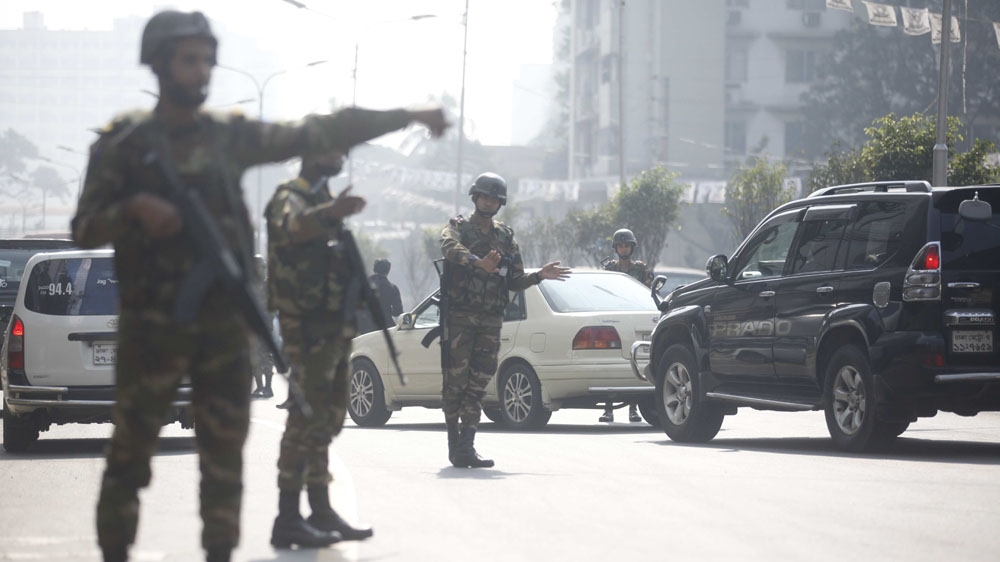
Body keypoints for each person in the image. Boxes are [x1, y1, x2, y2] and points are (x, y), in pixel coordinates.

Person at [71, 10, 448, 562]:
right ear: (158, 64)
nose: (201, 70)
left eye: (207, 59)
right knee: (130, 458)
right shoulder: (125, 143)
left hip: (223, 328)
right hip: (154, 330)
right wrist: (133, 209)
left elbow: (319, 130)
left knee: (224, 462)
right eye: (188, 59)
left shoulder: (227, 135)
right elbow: (83, 229)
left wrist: (408, 114)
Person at [267, 147, 446, 541]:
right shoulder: (291, 196)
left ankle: (320, 509)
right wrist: (329, 215)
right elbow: (289, 226)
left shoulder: (322, 198)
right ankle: (287, 517)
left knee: (327, 420)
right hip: (306, 328)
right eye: (331, 148)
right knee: (304, 419)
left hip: (331, 329)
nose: (339, 155)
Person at [439, 172, 571, 468]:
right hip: (460, 316)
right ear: (475, 198)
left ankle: (467, 446)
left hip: (491, 319)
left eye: (494, 198)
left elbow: (514, 280)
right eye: (484, 197)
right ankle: (452, 442)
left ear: (500, 203)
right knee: (455, 381)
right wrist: (477, 262)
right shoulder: (459, 227)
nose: (489, 202)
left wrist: (538, 276)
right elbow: (448, 247)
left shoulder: (505, 235)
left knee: (479, 381)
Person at [601, 228, 653, 423]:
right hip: (612, 320)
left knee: (634, 364)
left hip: (634, 319)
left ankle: (633, 409)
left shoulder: (641, 269)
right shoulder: (609, 270)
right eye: (620, 246)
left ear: (632, 247)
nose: (623, 249)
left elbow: (648, 293)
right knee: (609, 365)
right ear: (616, 248)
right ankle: (608, 409)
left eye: (626, 246)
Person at [252, 254, 275, 399]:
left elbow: (273, 307)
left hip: (265, 327)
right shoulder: (251, 284)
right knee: (254, 358)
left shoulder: (268, 286)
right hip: (253, 327)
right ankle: (259, 386)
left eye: (261, 267)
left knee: (266, 357)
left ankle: (268, 387)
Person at [369, 258, 403, 327]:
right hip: (385, 328)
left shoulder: (363, 285)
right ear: (388, 271)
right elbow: (398, 312)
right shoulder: (392, 288)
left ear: (374, 269)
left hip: (364, 329)